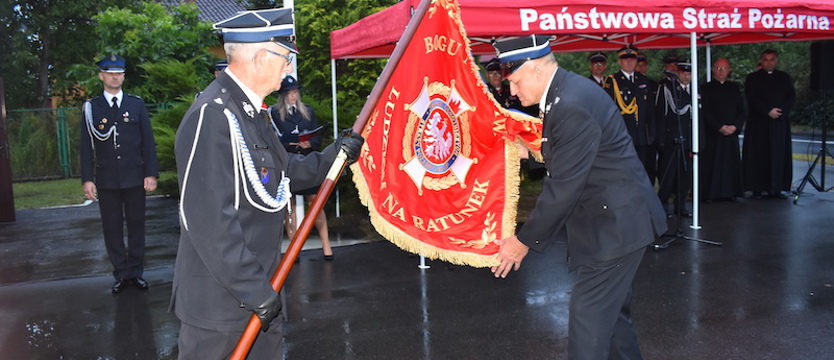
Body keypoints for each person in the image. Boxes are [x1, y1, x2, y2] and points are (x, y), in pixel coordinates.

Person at [171, 9, 363, 359]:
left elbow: (285, 174)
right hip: (222, 307)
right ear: (260, 57)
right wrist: (255, 291)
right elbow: (210, 222)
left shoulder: (253, 114)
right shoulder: (212, 116)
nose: (289, 68)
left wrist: (338, 153)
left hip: (260, 294)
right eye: (286, 58)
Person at [490, 35, 667, 360]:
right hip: (618, 220)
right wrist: (528, 153)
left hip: (616, 227)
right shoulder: (567, 92)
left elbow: (565, 185)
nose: (512, 91)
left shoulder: (569, 103)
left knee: (588, 323)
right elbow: (572, 151)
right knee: (612, 321)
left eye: (514, 81)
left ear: (535, 70)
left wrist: (523, 241)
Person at [80, 54, 159, 294]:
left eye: (119, 73)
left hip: (135, 176)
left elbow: (148, 141)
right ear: (101, 76)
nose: (116, 77)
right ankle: (121, 274)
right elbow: (85, 146)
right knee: (112, 228)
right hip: (107, 179)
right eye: (111, 73)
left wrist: (151, 173)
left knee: (137, 227)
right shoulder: (92, 108)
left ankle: (135, 273)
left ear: (124, 76)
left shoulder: (136, 104)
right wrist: (87, 178)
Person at [270, 75, 333, 260]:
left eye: (295, 92)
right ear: (283, 95)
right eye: (289, 93)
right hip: (288, 163)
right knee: (289, 207)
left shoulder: (308, 112)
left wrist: (311, 143)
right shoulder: (274, 114)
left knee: (315, 203)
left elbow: (317, 137)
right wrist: (292, 144)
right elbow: (275, 140)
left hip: (307, 161)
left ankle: (326, 246)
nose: (293, 96)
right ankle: (293, 249)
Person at [742, 49, 795, 199]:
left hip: (779, 122)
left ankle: (777, 188)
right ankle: (757, 188)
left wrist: (780, 111)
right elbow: (752, 98)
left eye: (772, 59)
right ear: (761, 61)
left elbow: (791, 97)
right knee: (759, 155)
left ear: (776, 61)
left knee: (778, 155)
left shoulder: (784, 77)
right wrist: (767, 111)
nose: (769, 62)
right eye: (765, 59)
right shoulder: (753, 78)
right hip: (759, 123)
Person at [603, 45, 658, 184]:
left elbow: (650, 110)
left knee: (641, 170)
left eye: (632, 59)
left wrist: (651, 132)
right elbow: (608, 110)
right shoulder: (612, 81)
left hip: (641, 135)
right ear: (620, 62)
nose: (629, 62)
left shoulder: (643, 80)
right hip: (623, 135)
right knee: (623, 171)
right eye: (625, 59)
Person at [700, 58, 745, 202]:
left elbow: (742, 110)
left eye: (724, 68)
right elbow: (705, 111)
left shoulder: (734, 87)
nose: (721, 71)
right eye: (718, 68)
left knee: (729, 164)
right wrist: (718, 127)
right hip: (713, 133)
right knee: (711, 163)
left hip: (731, 133)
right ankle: (710, 194)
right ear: (713, 70)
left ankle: (730, 192)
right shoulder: (705, 88)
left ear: (729, 70)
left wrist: (735, 126)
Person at [655, 62, 694, 218]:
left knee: (685, 176)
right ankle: (663, 205)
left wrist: (700, 141)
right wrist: (661, 140)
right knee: (668, 175)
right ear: (678, 73)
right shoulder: (668, 89)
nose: (686, 75)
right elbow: (660, 114)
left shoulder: (696, 91)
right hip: (672, 139)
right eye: (683, 72)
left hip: (689, 140)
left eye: (689, 73)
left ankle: (681, 205)